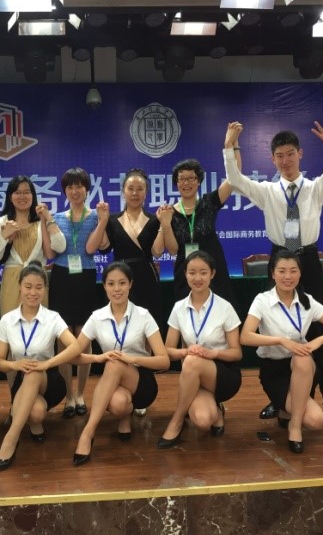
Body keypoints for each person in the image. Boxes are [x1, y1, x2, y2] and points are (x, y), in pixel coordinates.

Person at [223, 120, 323, 430]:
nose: (285, 160)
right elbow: (235, 180)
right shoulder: (267, 192)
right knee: (274, 325)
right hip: (280, 258)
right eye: (279, 155)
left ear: (300, 154)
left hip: (307, 260)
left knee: (317, 333)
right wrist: (230, 146)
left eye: (290, 154)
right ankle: (280, 397)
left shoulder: (315, 188)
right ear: (272, 159)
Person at [240, 250, 323, 453]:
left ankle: (294, 425)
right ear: (272, 273)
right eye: (282, 271)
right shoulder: (262, 300)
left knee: (303, 360)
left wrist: (318, 341)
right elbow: (245, 336)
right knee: (315, 419)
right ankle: (285, 411)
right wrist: (281, 340)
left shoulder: (307, 301)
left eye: (293, 271)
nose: (288, 276)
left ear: (300, 273)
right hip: (274, 370)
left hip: (303, 369)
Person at [72, 261, 170, 466]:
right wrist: (98, 358)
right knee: (117, 403)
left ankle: (88, 433)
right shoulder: (97, 317)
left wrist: (131, 359)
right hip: (114, 382)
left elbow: (164, 360)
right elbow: (74, 356)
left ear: (130, 284)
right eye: (111, 284)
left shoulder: (143, 315)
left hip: (141, 382)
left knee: (115, 363)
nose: (117, 289)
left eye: (122, 283)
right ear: (104, 286)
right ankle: (125, 416)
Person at [0, 262, 82, 471]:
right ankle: (34, 424)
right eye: (28, 286)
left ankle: (10, 439)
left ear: (45, 289)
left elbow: (76, 346)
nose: (33, 292)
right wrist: (15, 364)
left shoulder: (52, 318)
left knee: (34, 373)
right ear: (20, 287)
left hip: (49, 379)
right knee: (36, 412)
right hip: (22, 378)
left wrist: (47, 363)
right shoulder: (7, 320)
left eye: (39, 287)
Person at [103, 168, 174, 417]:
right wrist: (101, 221)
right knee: (120, 328)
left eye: (140, 189)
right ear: (123, 191)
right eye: (131, 188)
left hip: (145, 278)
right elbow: (102, 247)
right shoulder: (112, 219)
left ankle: (141, 387)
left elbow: (157, 252)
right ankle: (120, 378)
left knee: (144, 333)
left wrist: (164, 224)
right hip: (120, 280)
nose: (135, 193)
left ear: (146, 192)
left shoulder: (154, 220)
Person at [157, 250, 242, 449]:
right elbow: (167, 350)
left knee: (192, 362)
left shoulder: (225, 307)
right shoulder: (179, 308)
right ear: (185, 274)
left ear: (212, 274)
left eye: (203, 272)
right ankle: (217, 411)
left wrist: (213, 353)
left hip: (222, 373)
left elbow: (237, 353)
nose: (197, 278)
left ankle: (177, 420)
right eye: (192, 272)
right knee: (203, 421)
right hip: (193, 373)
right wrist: (184, 352)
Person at [49, 167, 109, 419]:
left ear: (87, 189)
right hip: (61, 278)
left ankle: (81, 393)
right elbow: (52, 253)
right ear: (65, 191)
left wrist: (103, 220)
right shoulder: (56, 218)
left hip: (85, 278)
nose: (75, 191)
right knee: (64, 339)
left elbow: (93, 248)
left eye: (79, 186)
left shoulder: (96, 215)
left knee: (84, 337)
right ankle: (69, 395)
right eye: (70, 187)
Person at [168, 145, 240, 303]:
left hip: (213, 269)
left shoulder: (209, 202)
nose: (186, 183)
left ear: (198, 181)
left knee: (219, 309)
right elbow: (172, 250)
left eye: (191, 178)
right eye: (182, 179)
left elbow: (233, 178)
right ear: (176, 183)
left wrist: (233, 146)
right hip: (186, 272)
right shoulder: (169, 213)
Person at [0, 175, 66, 316]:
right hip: (12, 282)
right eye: (17, 192)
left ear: (33, 196)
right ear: (10, 197)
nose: (22, 196)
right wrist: (4, 236)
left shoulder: (41, 220)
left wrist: (48, 218)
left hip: (37, 281)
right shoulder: (2, 221)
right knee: (11, 324)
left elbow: (59, 247)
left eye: (26, 192)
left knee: (40, 324)